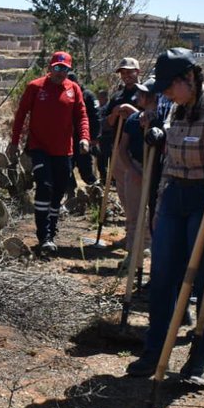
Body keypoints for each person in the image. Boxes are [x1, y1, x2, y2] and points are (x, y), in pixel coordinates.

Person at [126, 49, 204, 378]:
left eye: (168, 86)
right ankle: (154, 351)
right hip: (175, 197)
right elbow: (169, 164)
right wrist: (159, 210)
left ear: (190, 78)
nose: (163, 93)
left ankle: (199, 356)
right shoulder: (177, 109)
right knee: (162, 277)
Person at [6, 50, 90, 255]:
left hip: (64, 151)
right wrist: (14, 142)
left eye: (65, 69)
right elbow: (20, 116)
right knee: (44, 186)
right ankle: (43, 235)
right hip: (39, 147)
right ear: (50, 68)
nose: (61, 72)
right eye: (57, 68)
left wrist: (84, 137)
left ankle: (52, 232)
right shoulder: (35, 87)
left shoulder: (74, 89)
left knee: (58, 191)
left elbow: (81, 116)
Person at [113, 82, 158, 258]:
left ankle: (146, 245)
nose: (137, 97)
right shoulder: (132, 121)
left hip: (156, 171)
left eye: (142, 94)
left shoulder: (164, 120)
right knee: (133, 213)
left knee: (153, 214)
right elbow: (122, 149)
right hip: (135, 168)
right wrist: (132, 170)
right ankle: (132, 251)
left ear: (152, 97)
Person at [98, 57, 142, 186]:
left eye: (129, 72)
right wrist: (115, 113)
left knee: (136, 187)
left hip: (138, 149)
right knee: (121, 186)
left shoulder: (145, 93)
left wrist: (130, 111)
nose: (125, 76)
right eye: (123, 73)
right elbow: (107, 124)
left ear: (138, 71)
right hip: (118, 148)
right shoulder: (117, 96)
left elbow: (149, 118)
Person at [66, 71, 99, 187]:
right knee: (66, 170)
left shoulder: (87, 96)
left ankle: (95, 192)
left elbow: (95, 117)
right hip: (67, 139)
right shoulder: (64, 95)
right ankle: (71, 194)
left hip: (83, 139)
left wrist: (94, 137)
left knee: (85, 170)